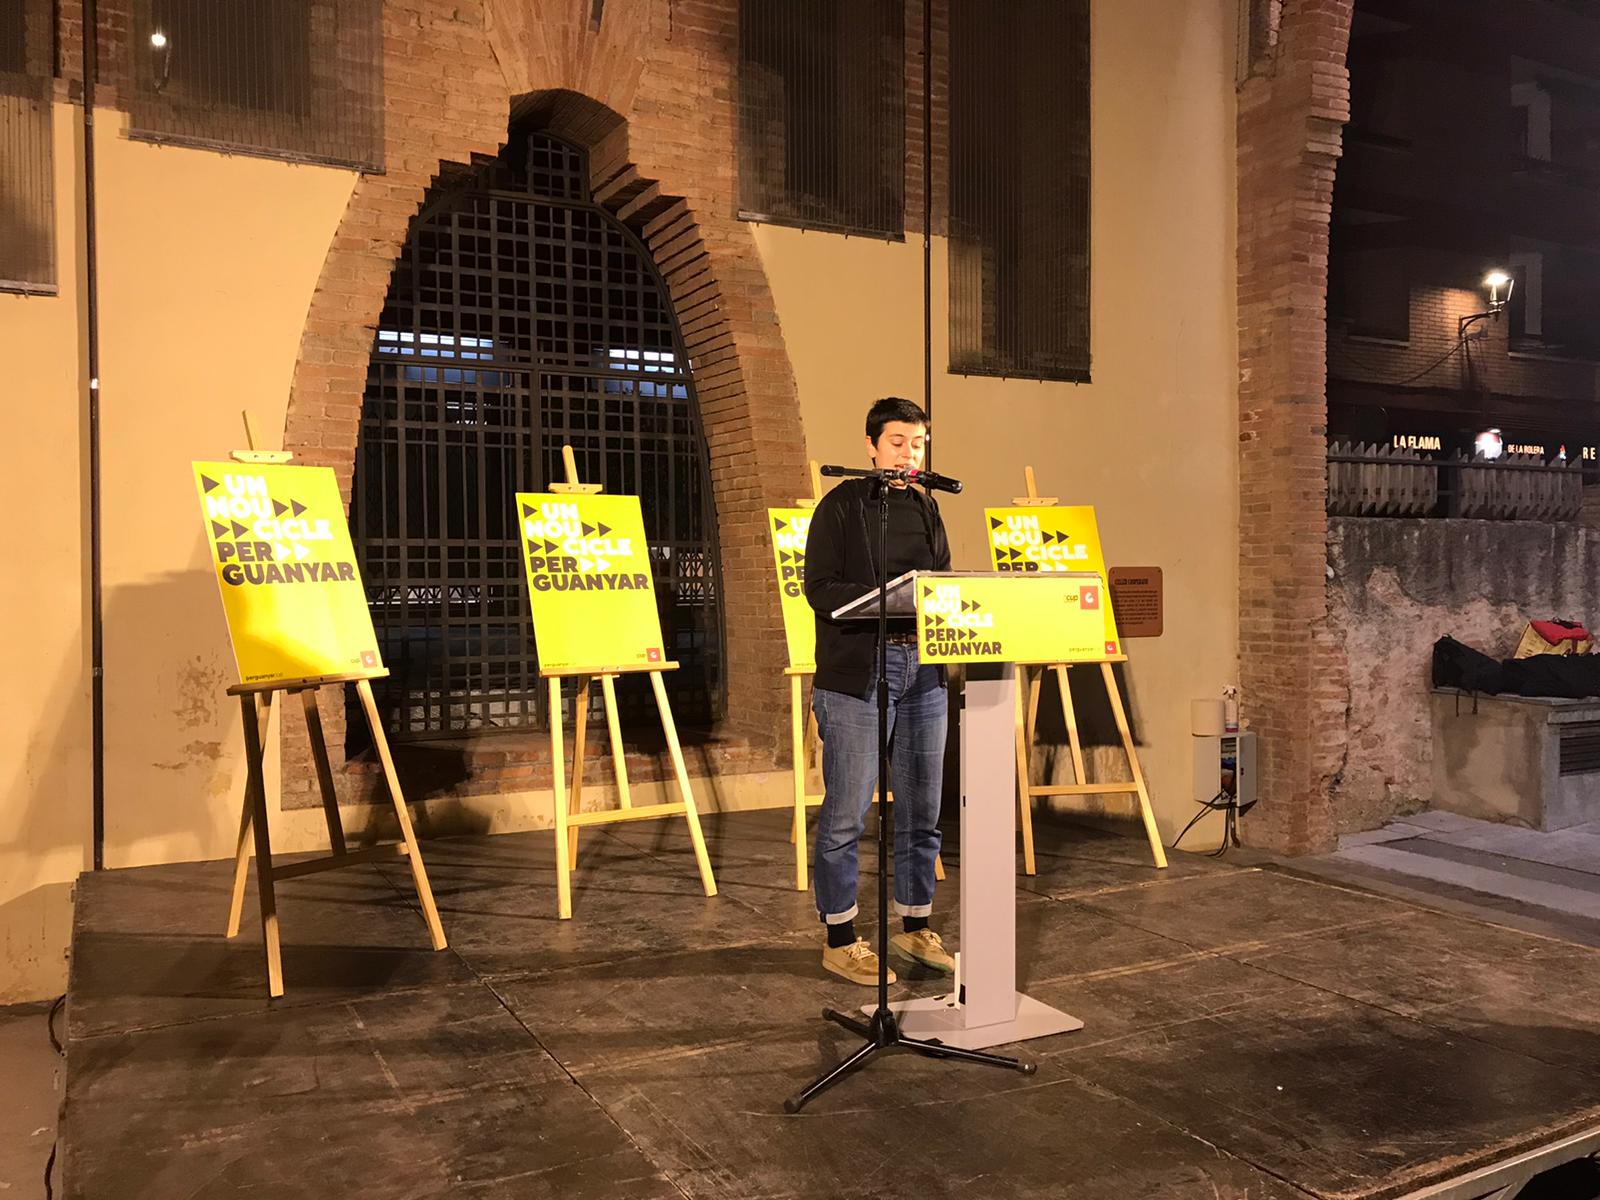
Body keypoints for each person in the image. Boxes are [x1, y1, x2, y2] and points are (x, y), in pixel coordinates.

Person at [803, 397, 956, 985]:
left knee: (922, 809)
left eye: (917, 444)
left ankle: (915, 926)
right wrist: (882, 598)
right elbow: (819, 588)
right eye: (897, 442)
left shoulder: (926, 506)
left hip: (924, 670)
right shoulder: (841, 505)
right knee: (847, 812)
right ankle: (840, 938)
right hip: (858, 673)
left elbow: (942, 584)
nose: (909, 454)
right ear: (870, 447)